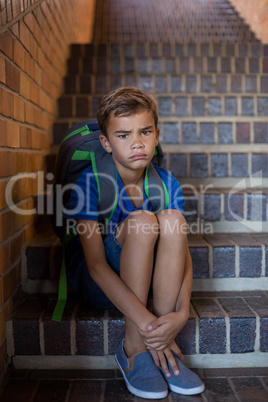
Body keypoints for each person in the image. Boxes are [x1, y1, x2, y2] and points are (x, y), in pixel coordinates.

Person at [64, 87, 204, 399]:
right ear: (106, 143)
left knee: (173, 220)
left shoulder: (167, 183)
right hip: (100, 285)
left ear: (157, 134)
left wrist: (180, 315)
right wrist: (151, 328)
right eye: (123, 135)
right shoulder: (91, 182)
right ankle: (135, 349)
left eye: (144, 132)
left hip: (154, 286)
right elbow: (96, 266)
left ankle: (159, 343)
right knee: (142, 221)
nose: (137, 142)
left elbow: (184, 256)